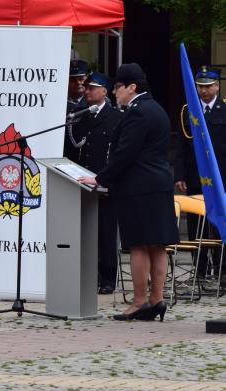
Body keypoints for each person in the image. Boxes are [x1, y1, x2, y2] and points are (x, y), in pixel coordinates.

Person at [79, 63, 178, 321]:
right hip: (157, 184)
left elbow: (125, 153)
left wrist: (101, 178)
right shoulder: (155, 108)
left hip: (139, 186)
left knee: (138, 245)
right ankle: (157, 299)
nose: (114, 92)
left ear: (132, 87)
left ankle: (139, 301)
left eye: (118, 87)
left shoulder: (138, 112)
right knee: (157, 245)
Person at [68, 71, 122, 294]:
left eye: (92, 87)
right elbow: (77, 147)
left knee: (106, 232)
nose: (87, 91)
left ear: (105, 91)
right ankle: (89, 275)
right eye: (86, 87)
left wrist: (110, 180)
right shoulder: (81, 115)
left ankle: (108, 277)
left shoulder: (117, 116)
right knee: (86, 232)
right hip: (83, 179)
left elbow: (117, 153)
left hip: (104, 181)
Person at [174, 66, 225, 281]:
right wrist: (180, 174)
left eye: (208, 86)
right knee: (197, 229)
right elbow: (182, 147)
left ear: (217, 86)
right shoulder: (189, 111)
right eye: (200, 86)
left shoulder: (224, 110)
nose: (204, 91)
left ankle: (222, 271)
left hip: (221, 179)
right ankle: (200, 270)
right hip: (196, 178)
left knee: (220, 225)